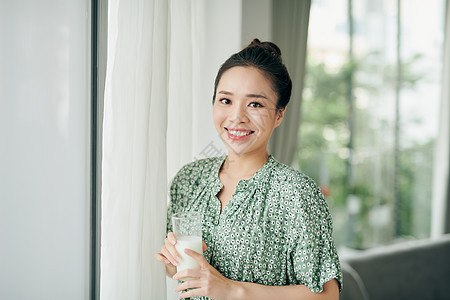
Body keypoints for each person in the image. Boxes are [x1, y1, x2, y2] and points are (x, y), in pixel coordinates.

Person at [155, 39, 342, 299]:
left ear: (279, 114)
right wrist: (172, 259)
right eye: (225, 100)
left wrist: (232, 290)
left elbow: (327, 295)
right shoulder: (189, 179)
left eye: (255, 104)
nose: (237, 117)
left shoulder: (297, 193)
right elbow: (179, 271)